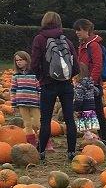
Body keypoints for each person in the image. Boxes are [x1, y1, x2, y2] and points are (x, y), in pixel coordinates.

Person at [30, 11, 79, 163]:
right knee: (70, 119)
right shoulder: (67, 41)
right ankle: (71, 152)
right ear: (59, 23)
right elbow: (76, 66)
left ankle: (41, 152)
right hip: (66, 85)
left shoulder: (39, 39)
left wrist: (41, 77)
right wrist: (68, 77)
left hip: (48, 84)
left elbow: (34, 64)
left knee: (46, 120)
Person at [74, 19, 106, 147]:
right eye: (76, 30)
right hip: (83, 82)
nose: (77, 32)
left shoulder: (93, 45)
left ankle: (104, 139)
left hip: (92, 84)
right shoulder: (83, 44)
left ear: (87, 30)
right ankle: (89, 138)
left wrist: (91, 83)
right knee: (86, 112)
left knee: (98, 111)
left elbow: (97, 65)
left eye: (79, 30)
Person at [10, 51, 42, 148]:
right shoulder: (16, 75)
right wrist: (14, 104)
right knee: (27, 124)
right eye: (17, 60)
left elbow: (39, 88)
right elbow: (13, 90)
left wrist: (41, 100)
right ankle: (32, 144)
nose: (18, 62)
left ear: (27, 60)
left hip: (34, 103)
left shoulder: (34, 74)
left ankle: (45, 141)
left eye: (21, 60)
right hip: (21, 103)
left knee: (38, 123)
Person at [73, 63, 100, 137]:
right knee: (89, 129)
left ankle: (91, 140)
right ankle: (92, 140)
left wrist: (76, 109)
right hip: (91, 109)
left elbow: (79, 100)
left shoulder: (79, 85)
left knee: (85, 130)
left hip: (83, 110)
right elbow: (97, 92)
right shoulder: (90, 82)